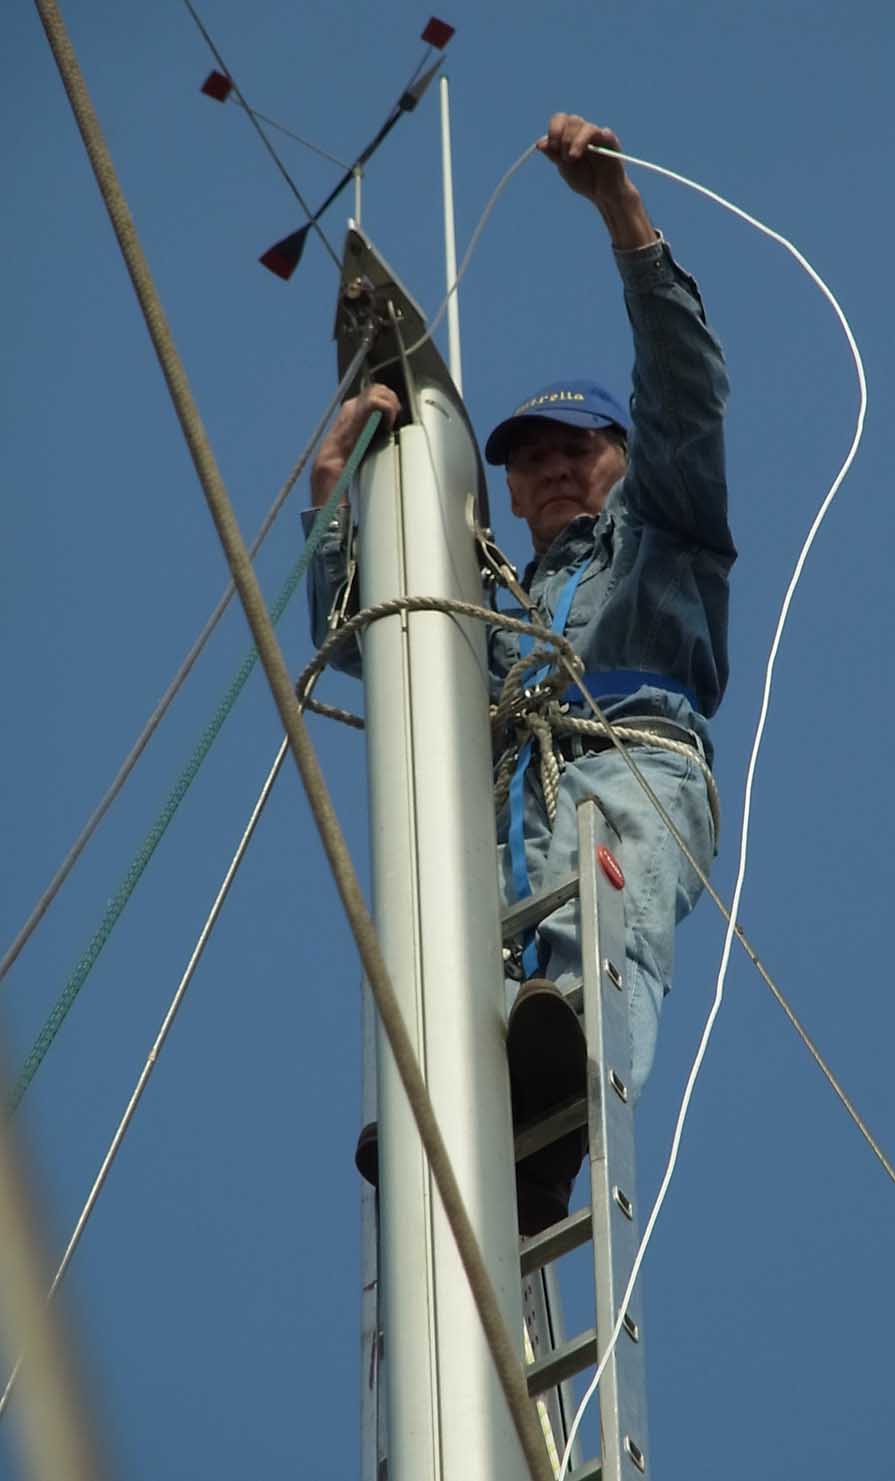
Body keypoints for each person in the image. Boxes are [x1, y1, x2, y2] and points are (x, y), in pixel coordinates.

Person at [306, 114, 735, 1234]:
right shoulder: (494, 603)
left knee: (589, 916)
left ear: (620, 459)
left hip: (625, 761)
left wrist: (620, 214)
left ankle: (568, 1075)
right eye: (528, 457)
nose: (549, 468)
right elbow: (372, 637)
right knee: (459, 913)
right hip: (503, 796)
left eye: (572, 447)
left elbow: (684, 400)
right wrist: (337, 504)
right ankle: (478, 1108)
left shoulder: (661, 535)